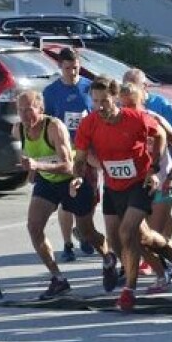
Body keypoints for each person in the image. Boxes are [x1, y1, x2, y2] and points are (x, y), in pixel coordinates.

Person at [71, 76, 172, 312]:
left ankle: (129, 290)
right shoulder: (89, 123)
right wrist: (78, 176)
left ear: (115, 98)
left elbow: (160, 135)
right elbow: (81, 157)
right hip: (113, 185)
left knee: (127, 232)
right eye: (96, 101)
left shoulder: (135, 118)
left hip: (140, 182)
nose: (100, 107)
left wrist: (154, 169)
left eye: (105, 101)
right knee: (134, 238)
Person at [14, 90, 116, 300]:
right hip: (47, 182)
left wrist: (37, 165)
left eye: (29, 109)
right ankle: (58, 279)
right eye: (21, 110)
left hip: (73, 179)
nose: (25, 115)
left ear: (41, 109)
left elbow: (69, 166)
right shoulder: (19, 129)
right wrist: (31, 171)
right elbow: (29, 156)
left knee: (86, 232)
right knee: (34, 227)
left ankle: (108, 259)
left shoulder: (54, 127)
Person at [119, 81, 172, 292]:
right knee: (135, 235)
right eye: (124, 105)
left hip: (162, 181)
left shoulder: (155, 119)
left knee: (150, 236)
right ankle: (169, 265)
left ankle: (166, 269)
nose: (128, 110)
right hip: (137, 185)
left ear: (142, 101)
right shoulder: (119, 123)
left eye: (132, 105)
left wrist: (171, 175)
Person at [42, 47, 94, 262]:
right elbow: (47, 123)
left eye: (76, 68)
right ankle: (67, 244)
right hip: (64, 153)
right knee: (67, 200)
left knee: (88, 198)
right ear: (60, 67)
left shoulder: (89, 87)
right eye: (68, 68)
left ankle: (84, 232)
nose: (72, 73)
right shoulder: (51, 92)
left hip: (87, 152)